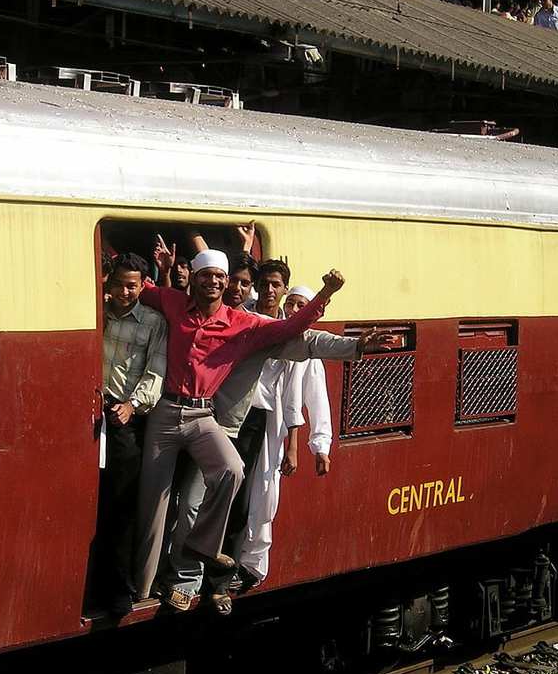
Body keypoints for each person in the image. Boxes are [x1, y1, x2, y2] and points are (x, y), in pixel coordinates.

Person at [158, 250, 396, 613]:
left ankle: (207, 583)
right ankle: (183, 579)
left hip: (232, 426)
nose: (235, 287)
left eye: (242, 282)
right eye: (231, 280)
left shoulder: (252, 327)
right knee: (186, 504)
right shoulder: (201, 314)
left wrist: (358, 345)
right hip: (192, 418)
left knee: (224, 504)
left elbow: (311, 343)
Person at [131, 248, 346, 609]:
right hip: (166, 411)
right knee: (154, 505)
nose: (213, 281)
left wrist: (324, 295)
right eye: (205, 275)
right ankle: (141, 588)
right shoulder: (172, 302)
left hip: (204, 416)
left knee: (233, 471)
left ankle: (202, 548)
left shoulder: (241, 322)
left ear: (226, 281)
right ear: (195, 280)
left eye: (219, 276)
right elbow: (140, 288)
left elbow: (291, 329)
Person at [238, 285, 333, 587]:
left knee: (265, 494)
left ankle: (252, 564)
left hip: (276, 429)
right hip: (253, 420)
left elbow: (317, 403)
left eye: (300, 305)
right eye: (290, 304)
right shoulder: (268, 333)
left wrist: (319, 446)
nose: (293, 310)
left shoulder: (310, 355)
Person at [98, 253, 168, 616]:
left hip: (124, 417)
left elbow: (155, 370)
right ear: (108, 283)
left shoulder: (153, 322)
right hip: (92, 412)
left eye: (133, 285)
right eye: (120, 284)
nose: (125, 292)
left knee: (121, 505)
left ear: (143, 286)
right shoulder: (97, 312)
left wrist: (132, 405)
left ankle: (118, 587)